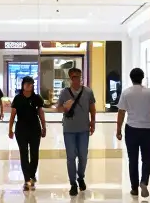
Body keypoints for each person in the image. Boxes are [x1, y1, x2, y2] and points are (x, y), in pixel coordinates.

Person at [116, 67, 150, 198]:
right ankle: (144, 182)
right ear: (142, 78)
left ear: (131, 78)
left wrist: (118, 130)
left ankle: (134, 188)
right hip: (147, 129)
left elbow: (121, 112)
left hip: (131, 129)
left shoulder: (126, 93)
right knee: (147, 158)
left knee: (133, 159)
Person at [55, 67, 97, 196]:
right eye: (73, 77)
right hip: (69, 129)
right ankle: (73, 183)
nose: (76, 80)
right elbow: (58, 109)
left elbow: (92, 108)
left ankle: (81, 177)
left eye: (78, 77)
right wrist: (65, 107)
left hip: (83, 128)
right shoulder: (64, 92)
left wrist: (92, 122)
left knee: (83, 156)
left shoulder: (88, 92)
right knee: (71, 157)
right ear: (70, 79)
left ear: (81, 77)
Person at [7, 76, 46, 190]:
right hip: (21, 129)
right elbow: (13, 115)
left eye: (31, 84)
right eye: (27, 84)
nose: (29, 86)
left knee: (34, 153)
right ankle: (26, 179)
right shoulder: (18, 98)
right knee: (23, 154)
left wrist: (44, 126)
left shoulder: (37, 98)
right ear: (23, 85)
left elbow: (41, 113)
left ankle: (32, 175)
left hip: (35, 129)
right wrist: (10, 129)